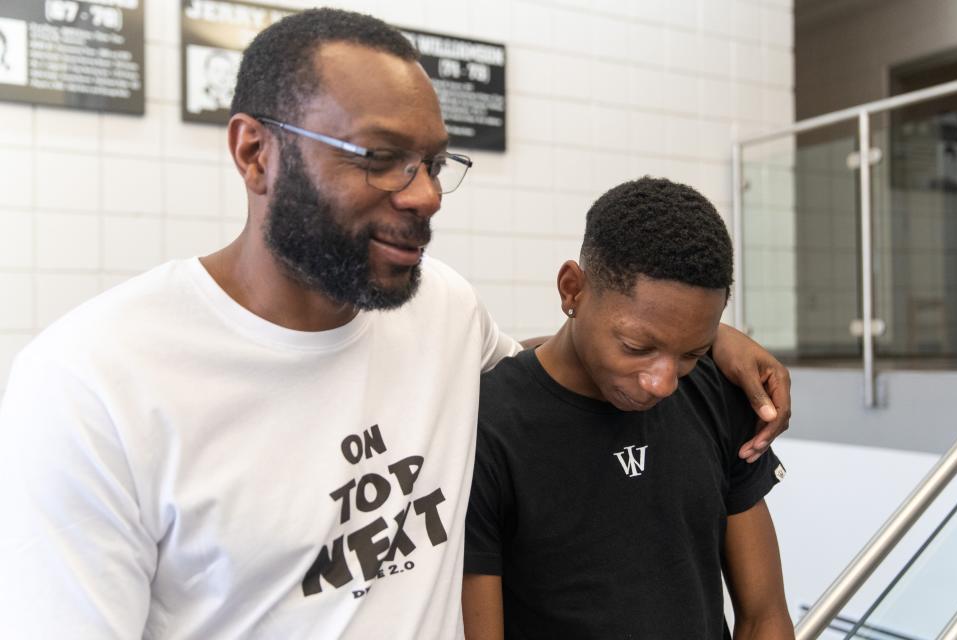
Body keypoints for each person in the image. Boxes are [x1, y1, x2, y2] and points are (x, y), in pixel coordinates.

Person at [0, 9, 789, 639]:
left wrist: (706, 339)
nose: (425, 195)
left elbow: (577, 358)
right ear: (254, 154)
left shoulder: (441, 309)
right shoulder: (89, 386)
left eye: (435, 162)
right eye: (380, 156)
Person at [462, 177, 794, 639]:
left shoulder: (716, 390)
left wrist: (702, 357)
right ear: (572, 289)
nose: (662, 383)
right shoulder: (486, 427)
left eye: (691, 353)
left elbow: (764, 617)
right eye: (637, 346)